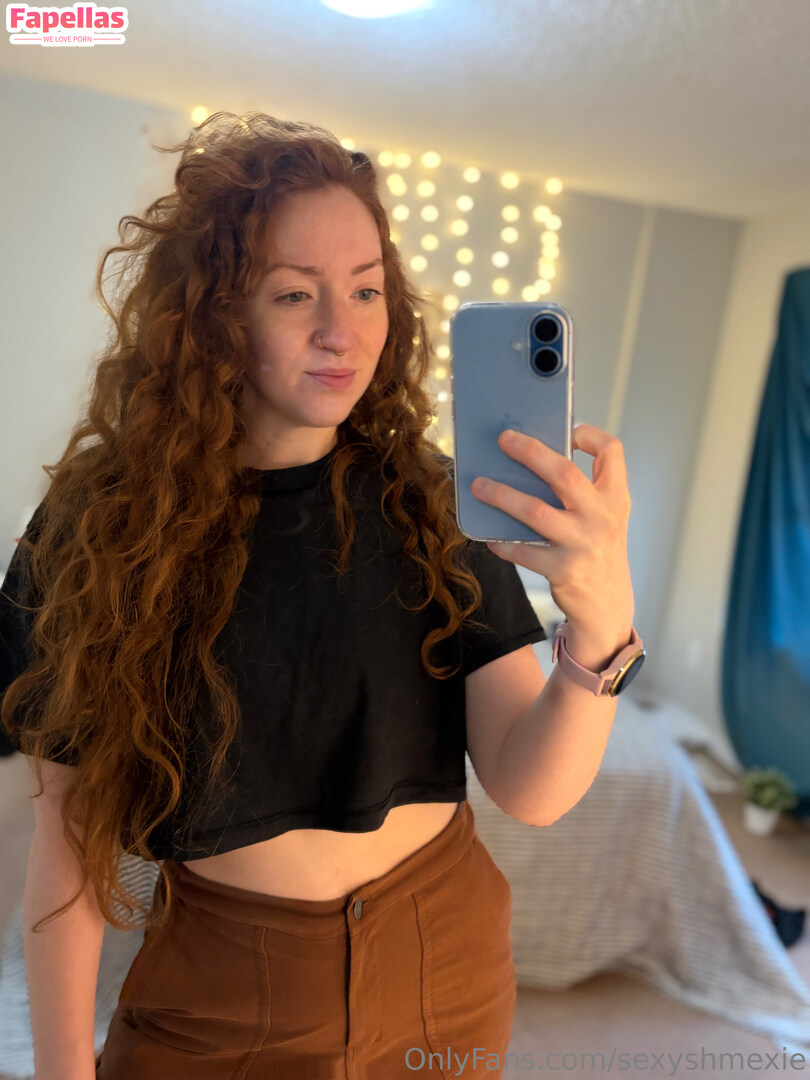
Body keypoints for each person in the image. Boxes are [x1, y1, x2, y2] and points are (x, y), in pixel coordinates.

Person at [1, 112, 638, 1080]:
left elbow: (531, 789)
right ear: (213, 313)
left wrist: (600, 626)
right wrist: (61, 1069)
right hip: (223, 993)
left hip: (445, 962)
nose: (345, 332)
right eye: (295, 293)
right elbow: (68, 838)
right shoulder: (100, 527)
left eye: (368, 289)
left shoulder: (429, 498)